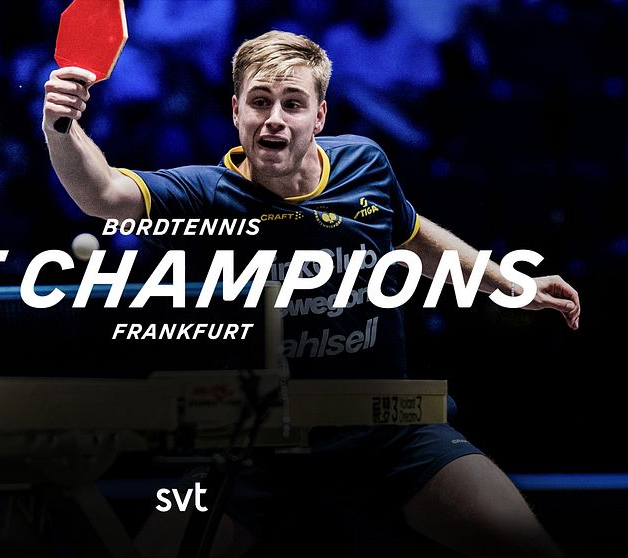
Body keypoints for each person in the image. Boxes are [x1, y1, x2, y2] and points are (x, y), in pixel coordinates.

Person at [41, 30, 579, 558]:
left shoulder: (365, 164)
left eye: (293, 104)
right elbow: (102, 193)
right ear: (236, 112)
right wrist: (61, 125)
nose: (274, 118)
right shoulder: (204, 195)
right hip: (253, 447)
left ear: (318, 116)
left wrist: (511, 284)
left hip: (388, 431)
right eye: (260, 102)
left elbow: (414, 236)